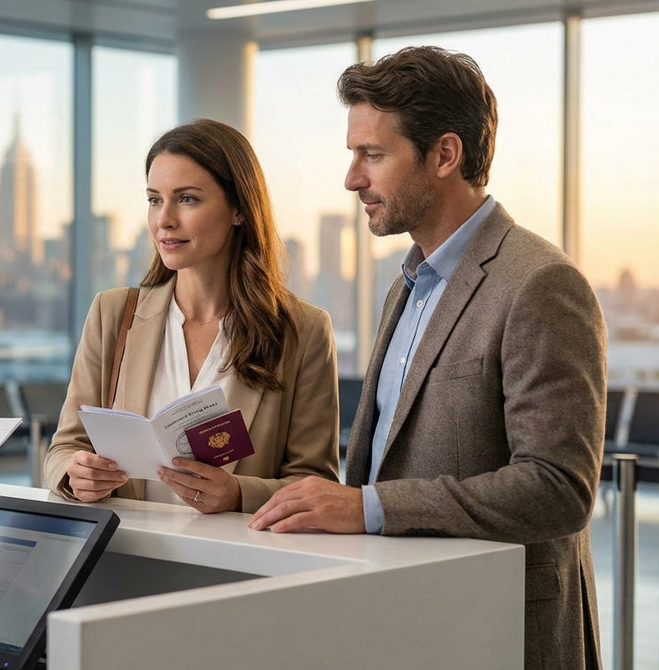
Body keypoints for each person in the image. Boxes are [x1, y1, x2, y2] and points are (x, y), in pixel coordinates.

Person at [248, 47, 606, 669]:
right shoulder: (404, 285)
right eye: (352, 155)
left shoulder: (540, 283)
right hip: (404, 620)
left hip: (501, 631)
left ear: (445, 155)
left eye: (373, 155)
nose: (353, 178)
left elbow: (557, 488)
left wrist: (369, 508)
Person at [43, 119, 339, 514]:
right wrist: (74, 473)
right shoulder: (112, 315)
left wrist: (238, 494)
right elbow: (65, 447)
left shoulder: (302, 331)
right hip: (121, 559)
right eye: (154, 199)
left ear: (239, 209)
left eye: (187, 199)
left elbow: (315, 482)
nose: (164, 219)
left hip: (241, 565)